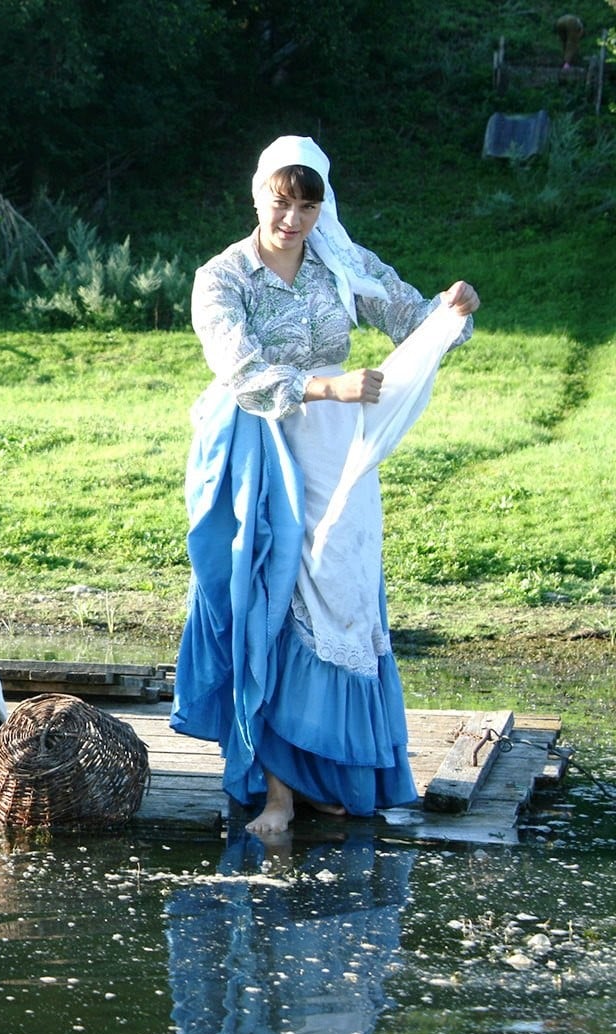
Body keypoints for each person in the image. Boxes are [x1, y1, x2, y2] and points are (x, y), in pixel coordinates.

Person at [170, 135, 480, 836]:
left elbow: (411, 315)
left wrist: (452, 310)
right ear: (259, 195)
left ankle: (328, 774)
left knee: (338, 597)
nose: (295, 219)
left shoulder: (339, 264)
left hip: (337, 454)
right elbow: (239, 369)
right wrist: (327, 385)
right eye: (284, 202)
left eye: (308, 205)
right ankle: (277, 791)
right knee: (271, 596)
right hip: (257, 446)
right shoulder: (223, 277)